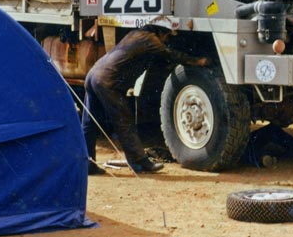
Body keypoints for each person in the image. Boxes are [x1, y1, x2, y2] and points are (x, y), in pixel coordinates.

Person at [82, 17, 208, 174]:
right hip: (107, 82)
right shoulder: (150, 40)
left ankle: (87, 164)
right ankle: (139, 162)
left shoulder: (135, 35)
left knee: (89, 123)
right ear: (160, 32)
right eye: (167, 36)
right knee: (124, 120)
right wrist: (197, 62)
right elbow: (170, 54)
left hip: (93, 75)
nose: (166, 40)